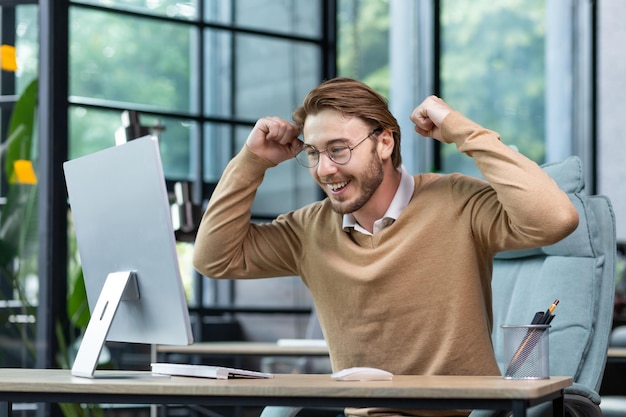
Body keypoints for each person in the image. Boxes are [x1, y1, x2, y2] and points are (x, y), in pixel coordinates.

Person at [192, 78, 579, 417]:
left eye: (338, 149)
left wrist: (461, 129)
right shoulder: (308, 229)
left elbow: (555, 219)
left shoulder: (457, 201)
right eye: (313, 152)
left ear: (384, 142)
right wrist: (252, 161)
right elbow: (214, 258)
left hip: (468, 414)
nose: (324, 169)